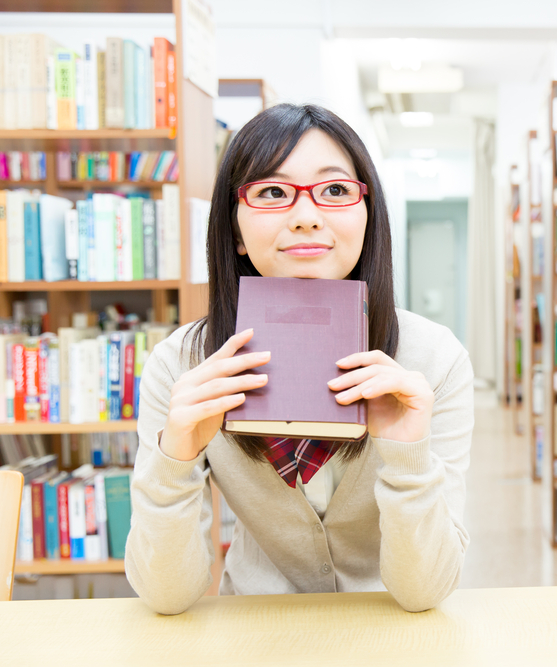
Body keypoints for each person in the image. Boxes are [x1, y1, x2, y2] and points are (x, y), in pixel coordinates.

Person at [125, 103, 473, 614]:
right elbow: (165, 597)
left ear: (367, 214)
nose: (307, 217)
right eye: (271, 192)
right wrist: (173, 458)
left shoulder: (433, 360)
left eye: (335, 191)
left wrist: (406, 455)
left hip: (390, 636)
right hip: (253, 631)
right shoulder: (182, 366)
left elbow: (426, 592)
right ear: (236, 230)